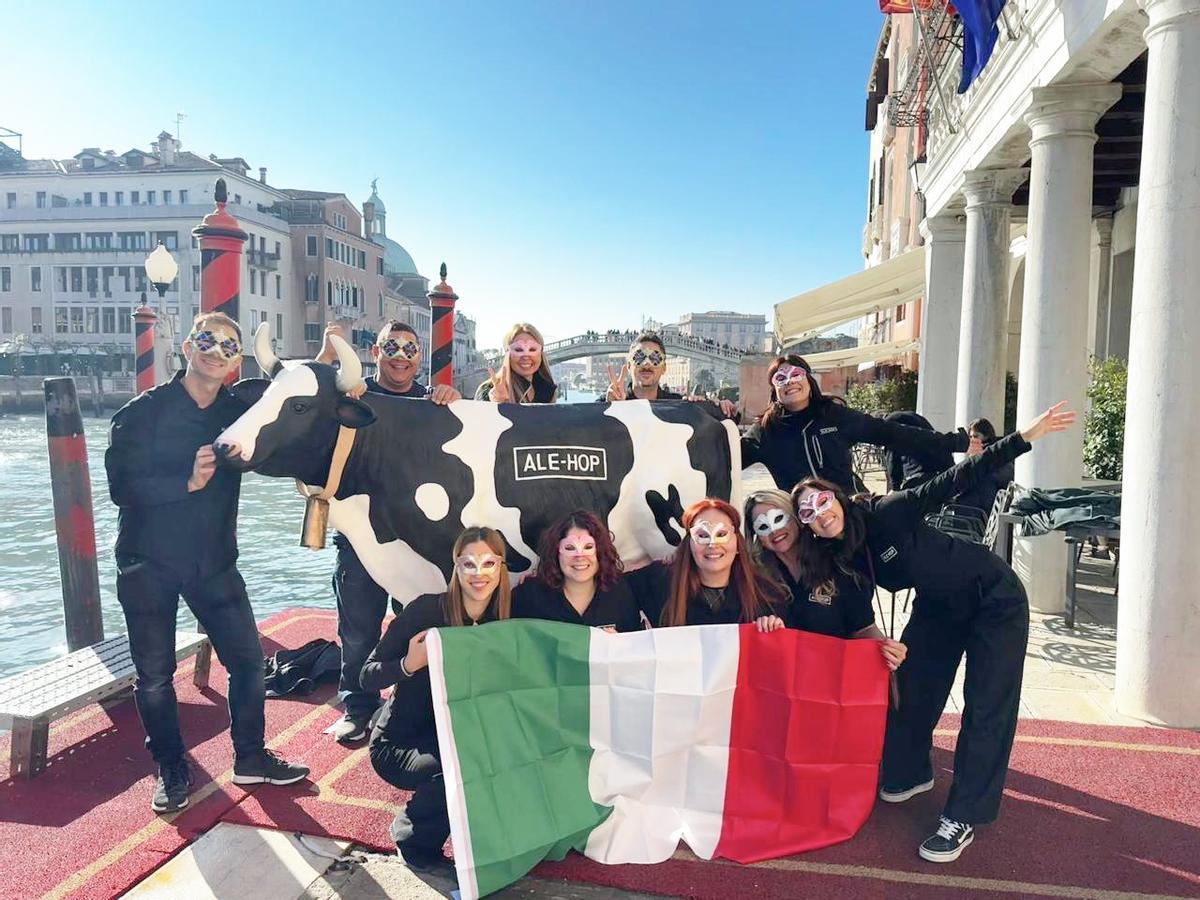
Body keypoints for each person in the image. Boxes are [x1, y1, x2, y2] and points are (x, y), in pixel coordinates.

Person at [790, 401, 1076, 864]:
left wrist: (1025, 437)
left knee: (985, 707)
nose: (819, 512)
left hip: (993, 598)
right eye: (807, 512)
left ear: (837, 498)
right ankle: (908, 771)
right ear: (808, 527)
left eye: (822, 500)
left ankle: (964, 814)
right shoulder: (837, 557)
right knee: (910, 690)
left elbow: (956, 479)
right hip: (939, 605)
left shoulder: (888, 510)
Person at [105, 312, 309, 813]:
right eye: (207, 340)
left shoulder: (238, 411)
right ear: (187, 347)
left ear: (236, 361)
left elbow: (291, 414)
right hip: (147, 563)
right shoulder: (140, 412)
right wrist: (185, 483)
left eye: (228, 346)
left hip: (214, 561)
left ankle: (251, 757)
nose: (216, 351)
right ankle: (172, 767)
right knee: (153, 677)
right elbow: (120, 490)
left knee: (247, 664)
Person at [319, 320, 462, 743]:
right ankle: (358, 705)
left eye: (410, 349)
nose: (401, 356)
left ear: (421, 357)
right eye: (392, 347)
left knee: (415, 619)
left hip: (416, 538)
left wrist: (452, 400)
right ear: (375, 351)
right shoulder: (349, 395)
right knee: (358, 624)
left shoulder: (431, 401)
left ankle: (410, 700)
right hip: (362, 536)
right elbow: (303, 406)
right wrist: (330, 366)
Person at [361, 526, 512, 871]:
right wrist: (408, 664)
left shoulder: (504, 618)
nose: (479, 573)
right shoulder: (426, 611)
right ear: (455, 568)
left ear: (500, 568)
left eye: (488, 563)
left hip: (460, 735)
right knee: (454, 773)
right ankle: (411, 837)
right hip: (400, 743)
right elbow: (367, 675)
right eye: (468, 564)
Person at [741, 354, 970, 493]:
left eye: (796, 374)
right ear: (775, 391)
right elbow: (725, 455)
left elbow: (891, 433)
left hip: (852, 510)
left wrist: (955, 442)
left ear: (810, 381)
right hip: (806, 519)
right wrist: (712, 414)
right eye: (780, 378)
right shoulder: (766, 431)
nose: (790, 381)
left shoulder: (833, 415)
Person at [742, 489, 906, 670]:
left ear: (797, 517)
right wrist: (761, 629)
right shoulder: (754, 577)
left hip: (834, 679)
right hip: (779, 680)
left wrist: (887, 649)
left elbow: (863, 627)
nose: (775, 530)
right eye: (763, 526)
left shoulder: (835, 562)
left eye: (780, 518)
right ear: (757, 536)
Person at [627, 498, 786, 627]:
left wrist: (775, 629)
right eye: (702, 536)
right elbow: (611, 587)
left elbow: (787, 654)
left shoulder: (766, 595)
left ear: (738, 544)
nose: (713, 544)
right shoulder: (660, 581)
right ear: (689, 544)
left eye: (721, 534)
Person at [512, 510, 643, 632]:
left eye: (588, 547)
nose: (580, 557)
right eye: (569, 548)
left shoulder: (624, 593)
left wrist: (620, 645)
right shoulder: (529, 596)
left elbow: (638, 649)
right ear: (555, 553)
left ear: (600, 552)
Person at [602, 331, 738, 417]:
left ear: (664, 368)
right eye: (639, 357)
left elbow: (727, 421)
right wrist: (609, 407)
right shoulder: (611, 401)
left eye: (655, 358)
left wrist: (722, 408)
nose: (646, 364)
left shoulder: (679, 405)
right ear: (629, 366)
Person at [475, 322, 558, 403]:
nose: (526, 356)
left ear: (541, 353)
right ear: (507, 354)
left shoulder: (548, 390)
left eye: (532, 349)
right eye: (518, 349)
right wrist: (497, 404)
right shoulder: (487, 390)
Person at [951, 417, 1012, 518]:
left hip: (981, 511)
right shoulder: (977, 456)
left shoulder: (994, 456)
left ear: (986, 436)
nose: (972, 440)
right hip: (974, 509)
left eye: (976, 436)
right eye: (970, 437)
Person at [881, 411, 955, 493]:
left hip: (920, 475)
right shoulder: (913, 417)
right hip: (944, 468)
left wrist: (894, 488)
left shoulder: (888, 423)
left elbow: (892, 458)